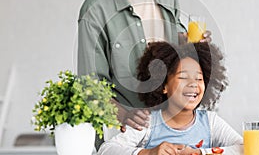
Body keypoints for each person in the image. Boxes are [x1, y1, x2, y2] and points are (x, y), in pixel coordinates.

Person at [77, 0, 212, 140]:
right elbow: (89, 87)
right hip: (128, 134)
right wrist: (124, 115)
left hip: (172, 127)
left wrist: (188, 42)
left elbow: (173, 34)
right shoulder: (94, 11)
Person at [97, 41, 243, 155]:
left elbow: (245, 148)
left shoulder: (210, 122)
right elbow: (106, 150)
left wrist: (199, 152)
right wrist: (148, 153)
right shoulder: (148, 122)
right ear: (163, 86)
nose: (193, 84)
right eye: (183, 77)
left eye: (199, 79)